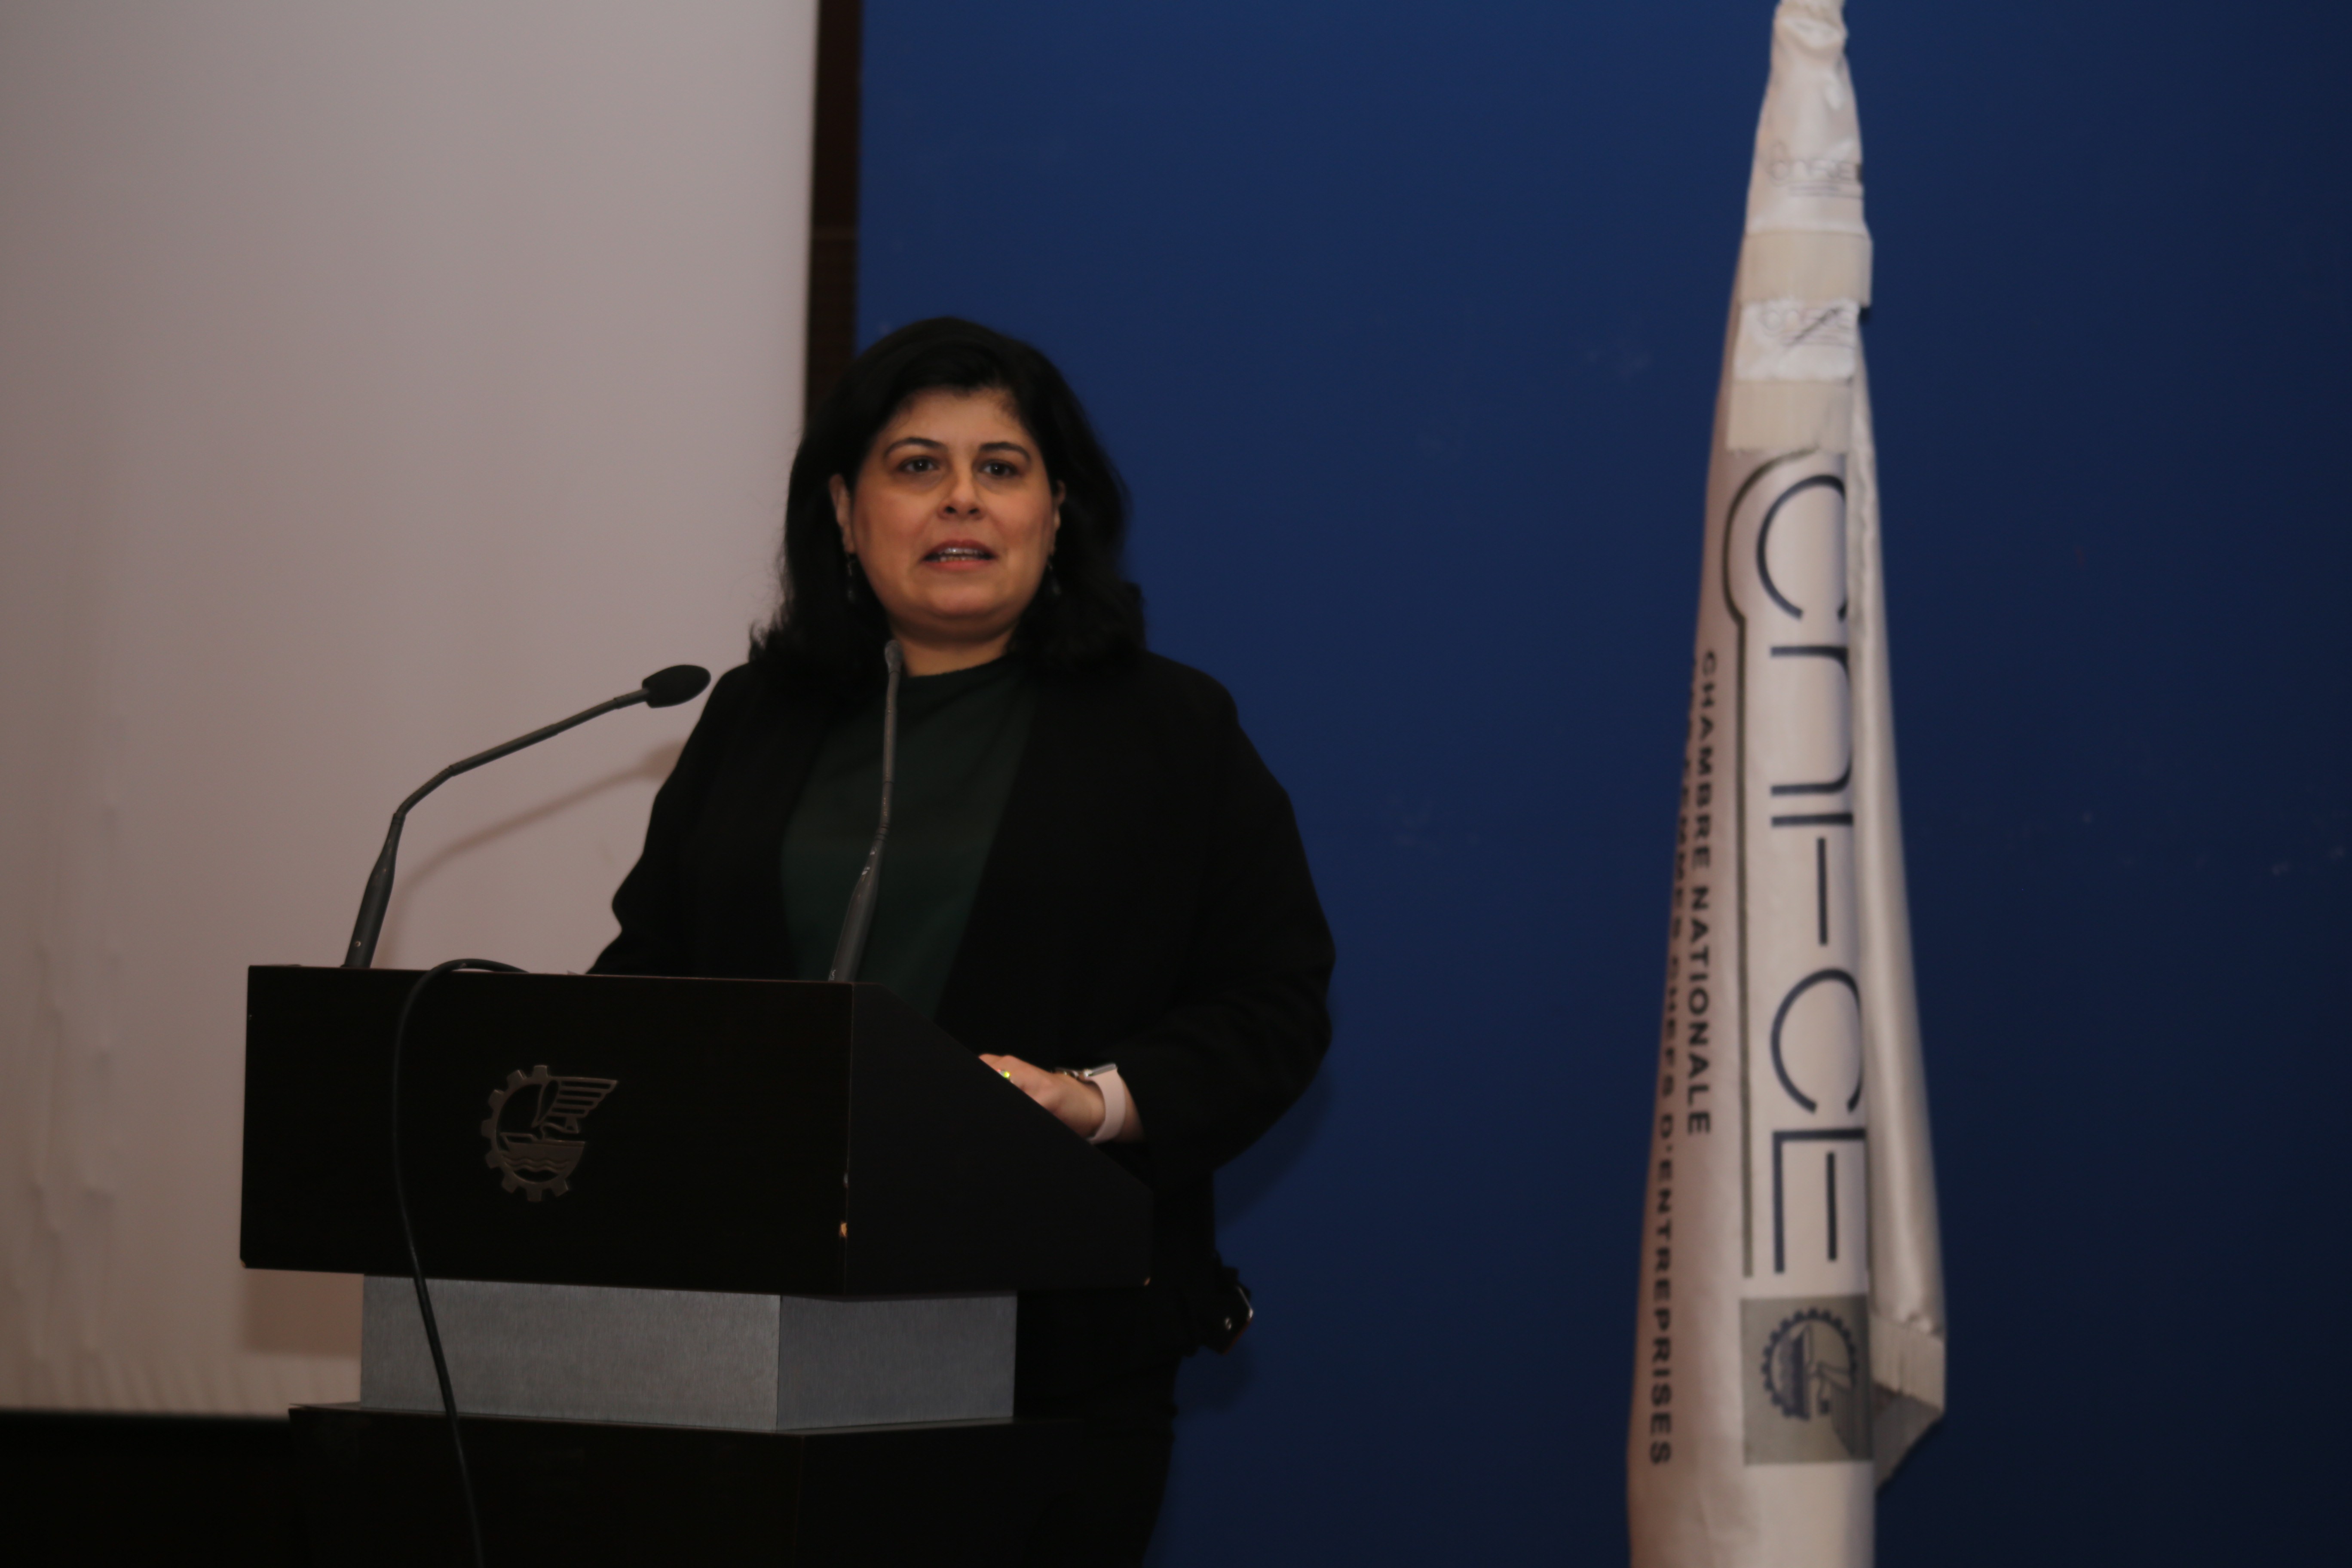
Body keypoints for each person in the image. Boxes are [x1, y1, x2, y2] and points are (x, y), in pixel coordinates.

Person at [591, 317, 1332, 1565]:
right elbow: (644, 975)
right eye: (916, 465)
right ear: (844, 511)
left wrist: (1095, 1101)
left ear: (1058, 511)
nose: (962, 500)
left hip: (1044, 1341)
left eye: (1002, 467)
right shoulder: (755, 718)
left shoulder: (1170, 731)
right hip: (735, 1325)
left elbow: (1274, 1003)